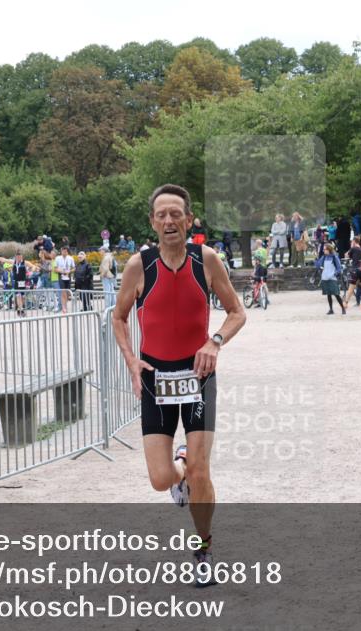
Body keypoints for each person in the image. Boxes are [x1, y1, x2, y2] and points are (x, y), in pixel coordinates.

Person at [111, 184, 245, 584]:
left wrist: (214, 342)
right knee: (159, 479)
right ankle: (180, 465)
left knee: (202, 473)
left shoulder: (206, 261)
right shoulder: (139, 266)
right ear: (152, 222)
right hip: (155, 379)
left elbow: (236, 312)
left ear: (189, 220)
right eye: (161, 215)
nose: (169, 221)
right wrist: (132, 361)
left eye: (176, 214)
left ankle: (203, 552)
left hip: (198, 376)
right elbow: (118, 317)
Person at [315, 243, 346, 315]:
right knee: (328, 294)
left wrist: (334, 274)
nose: (323, 250)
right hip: (325, 278)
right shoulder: (324, 257)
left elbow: (339, 268)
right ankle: (331, 309)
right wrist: (316, 260)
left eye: (325, 249)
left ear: (329, 250)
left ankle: (343, 308)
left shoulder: (334, 257)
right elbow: (318, 265)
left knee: (336, 294)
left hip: (332, 278)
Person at [342, 238, 361, 309]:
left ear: (354, 242)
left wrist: (351, 248)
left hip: (355, 269)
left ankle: (346, 303)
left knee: (351, 287)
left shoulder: (353, 248)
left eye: (352, 241)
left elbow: (346, 255)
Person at [55, 247, 76, 313]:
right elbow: (55, 269)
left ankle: (65, 305)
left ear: (67, 252)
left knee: (67, 292)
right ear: (61, 251)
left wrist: (69, 272)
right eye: (62, 251)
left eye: (65, 251)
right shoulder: (58, 258)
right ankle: (64, 307)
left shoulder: (70, 258)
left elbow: (74, 268)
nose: (64, 252)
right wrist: (61, 271)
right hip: (61, 276)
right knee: (63, 292)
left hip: (68, 276)